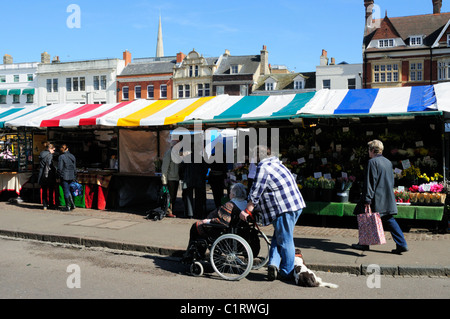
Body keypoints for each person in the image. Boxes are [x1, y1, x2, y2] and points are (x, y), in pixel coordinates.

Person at [239, 146, 306, 281]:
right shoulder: (275, 163)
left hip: (284, 208)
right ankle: (273, 264)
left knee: (285, 240)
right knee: (278, 237)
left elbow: (256, 192)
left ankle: (287, 272)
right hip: (295, 204)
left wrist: (247, 211)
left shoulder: (263, 168)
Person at [352, 139, 409, 254]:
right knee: (389, 219)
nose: (368, 152)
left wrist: (367, 199)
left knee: (364, 217)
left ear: (372, 150)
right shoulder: (388, 162)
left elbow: (370, 182)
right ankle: (402, 243)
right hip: (387, 197)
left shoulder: (372, 162)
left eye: (369, 150)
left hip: (375, 198)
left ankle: (364, 244)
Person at [184, 183, 248, 259]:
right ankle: (197, 253)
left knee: (196, 226)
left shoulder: (230, 205)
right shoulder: (245, 203)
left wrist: (207, 221)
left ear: (234, 195)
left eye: (230, 193)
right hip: (235, 229)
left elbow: (223, 222)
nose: (229, 195)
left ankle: (192, 254)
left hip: (220, 229)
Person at [180, 147, 208, 219]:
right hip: (199, 179)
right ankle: (198, 213)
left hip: (188, 179)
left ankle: (189, 214)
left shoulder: (186, 158)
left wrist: (183, 176)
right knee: (199, 197)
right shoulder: (201, 158)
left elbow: (182, 168)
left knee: (188, 197)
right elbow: (205, 169)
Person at [161, 139, 180, 218]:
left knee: (173, 196)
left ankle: (171, 210)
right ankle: (168, 211)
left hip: (175, 178)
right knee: (170, 196)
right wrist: (164, 181)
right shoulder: (169, 153)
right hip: (170, 179)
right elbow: (164, 168)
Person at [57, 144, 77, 211]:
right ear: (67, 149)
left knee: (66, 190)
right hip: (71, 175)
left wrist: (59, 175)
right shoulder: (72, 156)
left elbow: (60, 168)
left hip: (64, 175)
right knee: (70, 190)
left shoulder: (61, 157)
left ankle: (67, 206)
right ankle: (73, 204)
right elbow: (74, 167)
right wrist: (74, 175)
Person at [38, 143, 56, 210]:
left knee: (44, 190)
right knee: (50, 190)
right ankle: (51, 204)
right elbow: (50, 165)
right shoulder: (50, 155)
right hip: (49, 174)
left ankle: (44, 204)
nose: (54, 151)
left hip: (42, 174)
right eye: (53, 149)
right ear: (49, 149)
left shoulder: (41, 154)